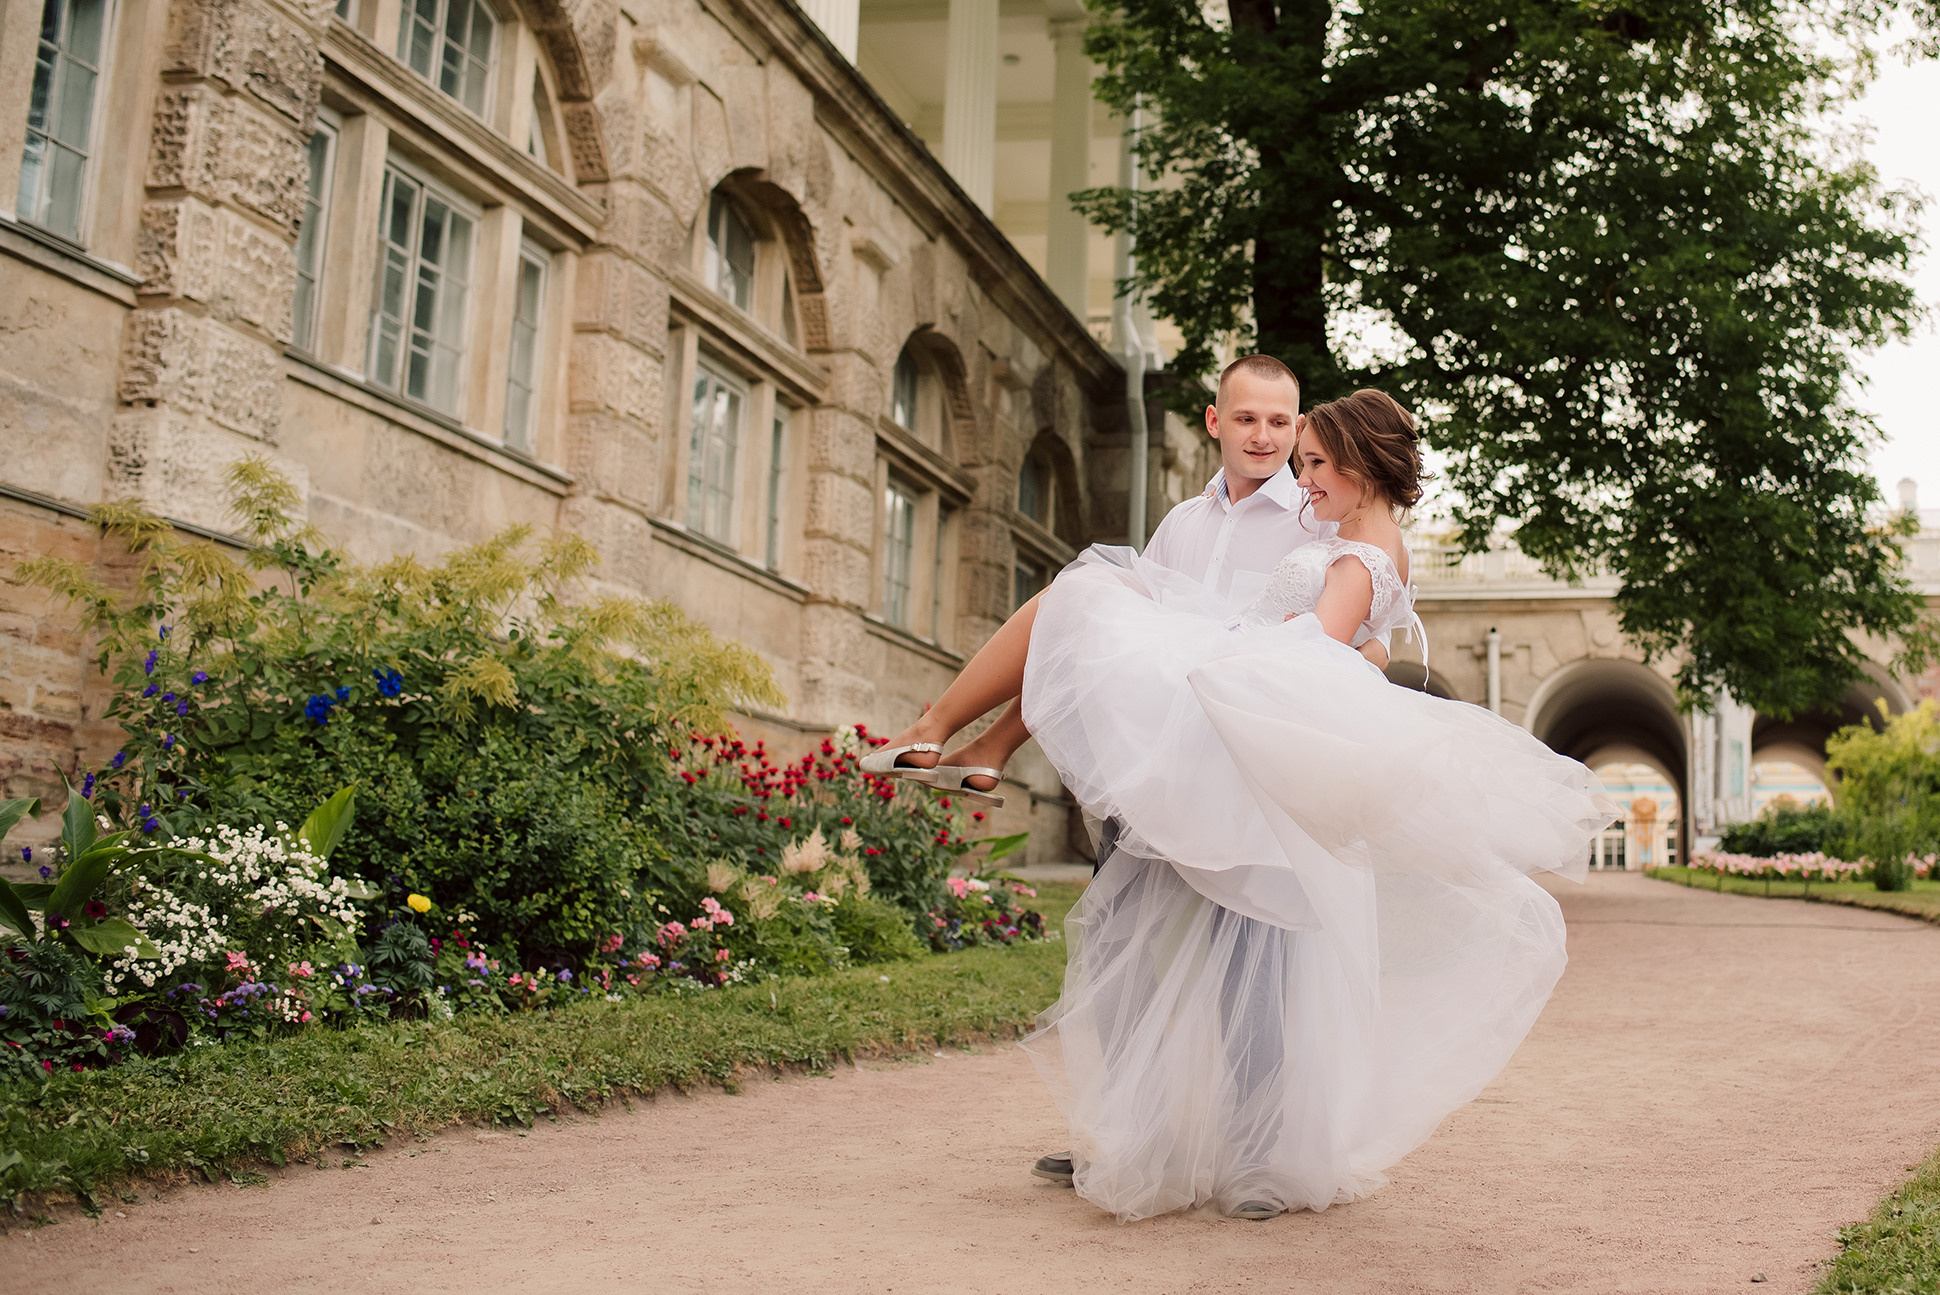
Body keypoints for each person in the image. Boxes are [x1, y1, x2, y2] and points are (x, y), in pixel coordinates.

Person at [886, 382, 1616, 1222]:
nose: (1288, 459)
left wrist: (1244, 654)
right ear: (1216, 422)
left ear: (1345, 460)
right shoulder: (1233, 523)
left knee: (1253, 964)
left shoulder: (1331, 530)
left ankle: (1258, 1147)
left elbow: (1341, 637)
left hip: (1237, 734)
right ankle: (1136, 1132)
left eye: (1302, 447)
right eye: (1256, 424)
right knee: (1129, 930)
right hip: (1198, 730)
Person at [859, 355, 1388, 806]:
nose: (1262, 436)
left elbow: (1375, 639)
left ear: (1298, 429)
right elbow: (1116, 633)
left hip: (1239, 733)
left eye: (1278, 422)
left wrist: (1296, 653)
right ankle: (985, 747)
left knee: (1079, 596)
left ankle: (949, 737)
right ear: (1213, 420)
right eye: (1246, 418)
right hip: (1151, 731)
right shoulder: (1184, 518)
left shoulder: (1318, 513)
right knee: (1078, 607)